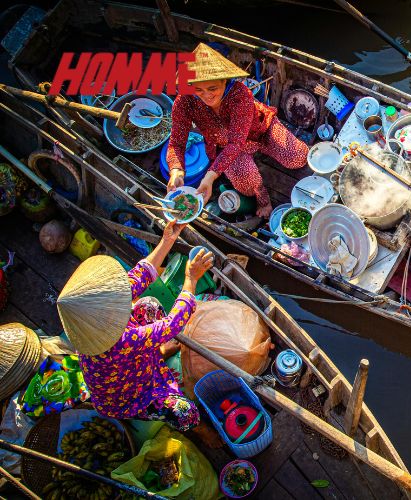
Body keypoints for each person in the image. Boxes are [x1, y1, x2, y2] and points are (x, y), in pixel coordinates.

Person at [56, 221, 213, 431]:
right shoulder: (119, 342)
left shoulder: (103, 306)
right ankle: (200, 431)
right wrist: (191, 279)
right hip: (131, 394)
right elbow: (172, 325)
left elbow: (141, 273)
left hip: (133, 364)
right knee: (185, 413)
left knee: (148, 306)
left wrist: (168, 239)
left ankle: (157, 352)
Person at [166, 43, 308, 217]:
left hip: (260, 130)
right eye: (198, 90)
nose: (207, 95)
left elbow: (236, 142)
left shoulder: (240, 95)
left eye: (212, 88)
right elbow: (176, 143)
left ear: (224, 81)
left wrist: (209, 177)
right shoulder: (184, 102)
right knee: (247, 185)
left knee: (298, 158)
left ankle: (268, 147)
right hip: (225, 146)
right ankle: (264, 200)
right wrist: (176, 171)